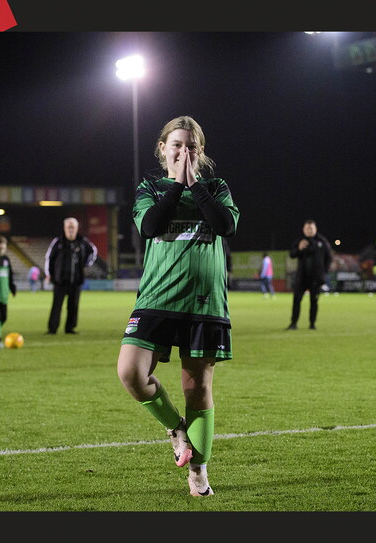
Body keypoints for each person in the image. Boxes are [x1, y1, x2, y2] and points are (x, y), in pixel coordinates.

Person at [116, 115, 238, 498]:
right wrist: (175, 186)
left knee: (197, 389)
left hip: (204, 303)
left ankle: (199, 472)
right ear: (163, 149)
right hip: (156, 298)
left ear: (200, 153)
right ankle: (175, 430)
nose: (184, 152)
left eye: (191, 147)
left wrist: (195, 186)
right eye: (177, 145)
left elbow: (225, 226)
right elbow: (150, 226)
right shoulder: (150, 187)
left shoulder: (216, 187)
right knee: (131, 373)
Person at [43, 217, 97, 335]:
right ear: (65, 228)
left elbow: (93, 251)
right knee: (56, 306)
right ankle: (52, 329)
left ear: (77, 228)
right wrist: (49, 274)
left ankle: (70, 328)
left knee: (73, 306)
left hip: (76, 281)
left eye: (73, 227)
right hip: (60, 281)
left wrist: (86, 264)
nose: (71, 230)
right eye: (69, 227)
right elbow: (49, 258)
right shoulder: (58, 242)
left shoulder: (82, 241)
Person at [287, 219, 333, 330]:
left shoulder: (322, 241)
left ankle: (312, 324)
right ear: (303, 229)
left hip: (316, 279)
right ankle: (293, 323)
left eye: (311, 228)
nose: (309, 230)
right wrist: (299, 248)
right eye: (307, 228)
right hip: (301, 277)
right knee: (297, 300)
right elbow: (292, 254)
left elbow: (329, 258)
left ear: (315, 229)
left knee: (314, 301)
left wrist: (323, 272)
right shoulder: (300, 240)